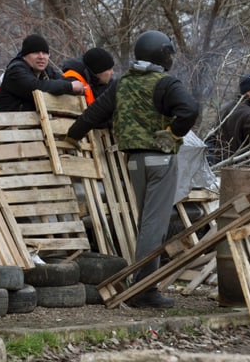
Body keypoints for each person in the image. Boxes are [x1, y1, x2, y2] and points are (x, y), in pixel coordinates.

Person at [65, 30, 199, 308]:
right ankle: (144, 290)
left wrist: (72, 136)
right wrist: (173, 133)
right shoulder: (165, 83)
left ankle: (144, 285)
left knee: (146, 223)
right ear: (162, 54)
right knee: (154, 226)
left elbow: (95, 113)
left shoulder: (122, 83)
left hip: (134, 163)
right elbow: (189, 110)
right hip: (160, 162)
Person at [0, 34, 85, 112]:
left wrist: (74, 86)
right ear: (25, 56)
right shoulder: (15, 71)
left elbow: (64, 80)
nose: (41, 57)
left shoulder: (46, 71)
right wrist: (70, 86)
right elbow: (35, 87)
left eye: (45, 53)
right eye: (36, 52)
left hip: (30, 126)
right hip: (6, 127)